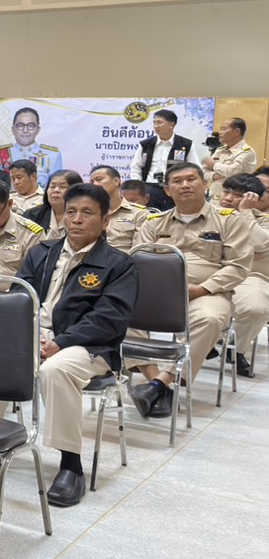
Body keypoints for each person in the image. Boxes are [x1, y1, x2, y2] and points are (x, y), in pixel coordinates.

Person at [2, 183, 137, 506]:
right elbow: (19, 296)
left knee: (56, 370)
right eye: (71, 211)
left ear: (105, 222)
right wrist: (29, 334)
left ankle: (71, 465)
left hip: (88, 347)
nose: (76, 219)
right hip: (36, 336)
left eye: (87, 213)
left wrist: (61, 342)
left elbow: (110, 318)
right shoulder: (42, 252)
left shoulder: (119, 264)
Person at [129, 162, 251, 418]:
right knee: (119, 310)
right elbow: (138, 260)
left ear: (205, 184)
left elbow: (238, 267)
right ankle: (158, 383)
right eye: (178, 181)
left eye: (191, 179)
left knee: (209, 318)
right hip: (159, 293)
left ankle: (160, 383)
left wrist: (202, 289)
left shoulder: (230, 220)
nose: (185, 185)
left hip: (208, 293)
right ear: (168, 190)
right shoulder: (153, 223)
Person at [221, 173, 269, 378]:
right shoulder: (211, 215)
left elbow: (260, 244)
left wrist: (246, 212)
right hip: (213, 272)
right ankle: (203, 342)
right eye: (226, 192)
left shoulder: (263, 221)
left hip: (250, 277)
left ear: (253, 198)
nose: (228, 198)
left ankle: (235, 349)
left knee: (255, 309)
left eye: (237, 195)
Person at [89, 164, 149, 251]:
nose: (95, 184)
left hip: (126, 261)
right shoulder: (89, 212)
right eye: (92, 182)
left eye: (99, 179)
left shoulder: (139, 213)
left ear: (116, 181)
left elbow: (140, 250)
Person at [204, 116, 257, 201]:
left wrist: (214, 165)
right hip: (213, 200)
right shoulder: (220, 150)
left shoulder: (247, 152)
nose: (220, 132)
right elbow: (204, 172)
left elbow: (232, 172)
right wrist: (217, 175)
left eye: (223, 129)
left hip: (234, 203)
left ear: (237, 131)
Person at [0, 107, 60, 176]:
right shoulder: (0, 154)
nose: (25, 130)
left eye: (31, 125)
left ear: (37, 130)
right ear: (13, 130)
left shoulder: (53, 155)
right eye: (20, 125)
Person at [23, 169, 84, 240]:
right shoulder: (32, 215)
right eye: (52, 186)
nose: (56, 190)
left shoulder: (82, 217)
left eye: (63, 187)